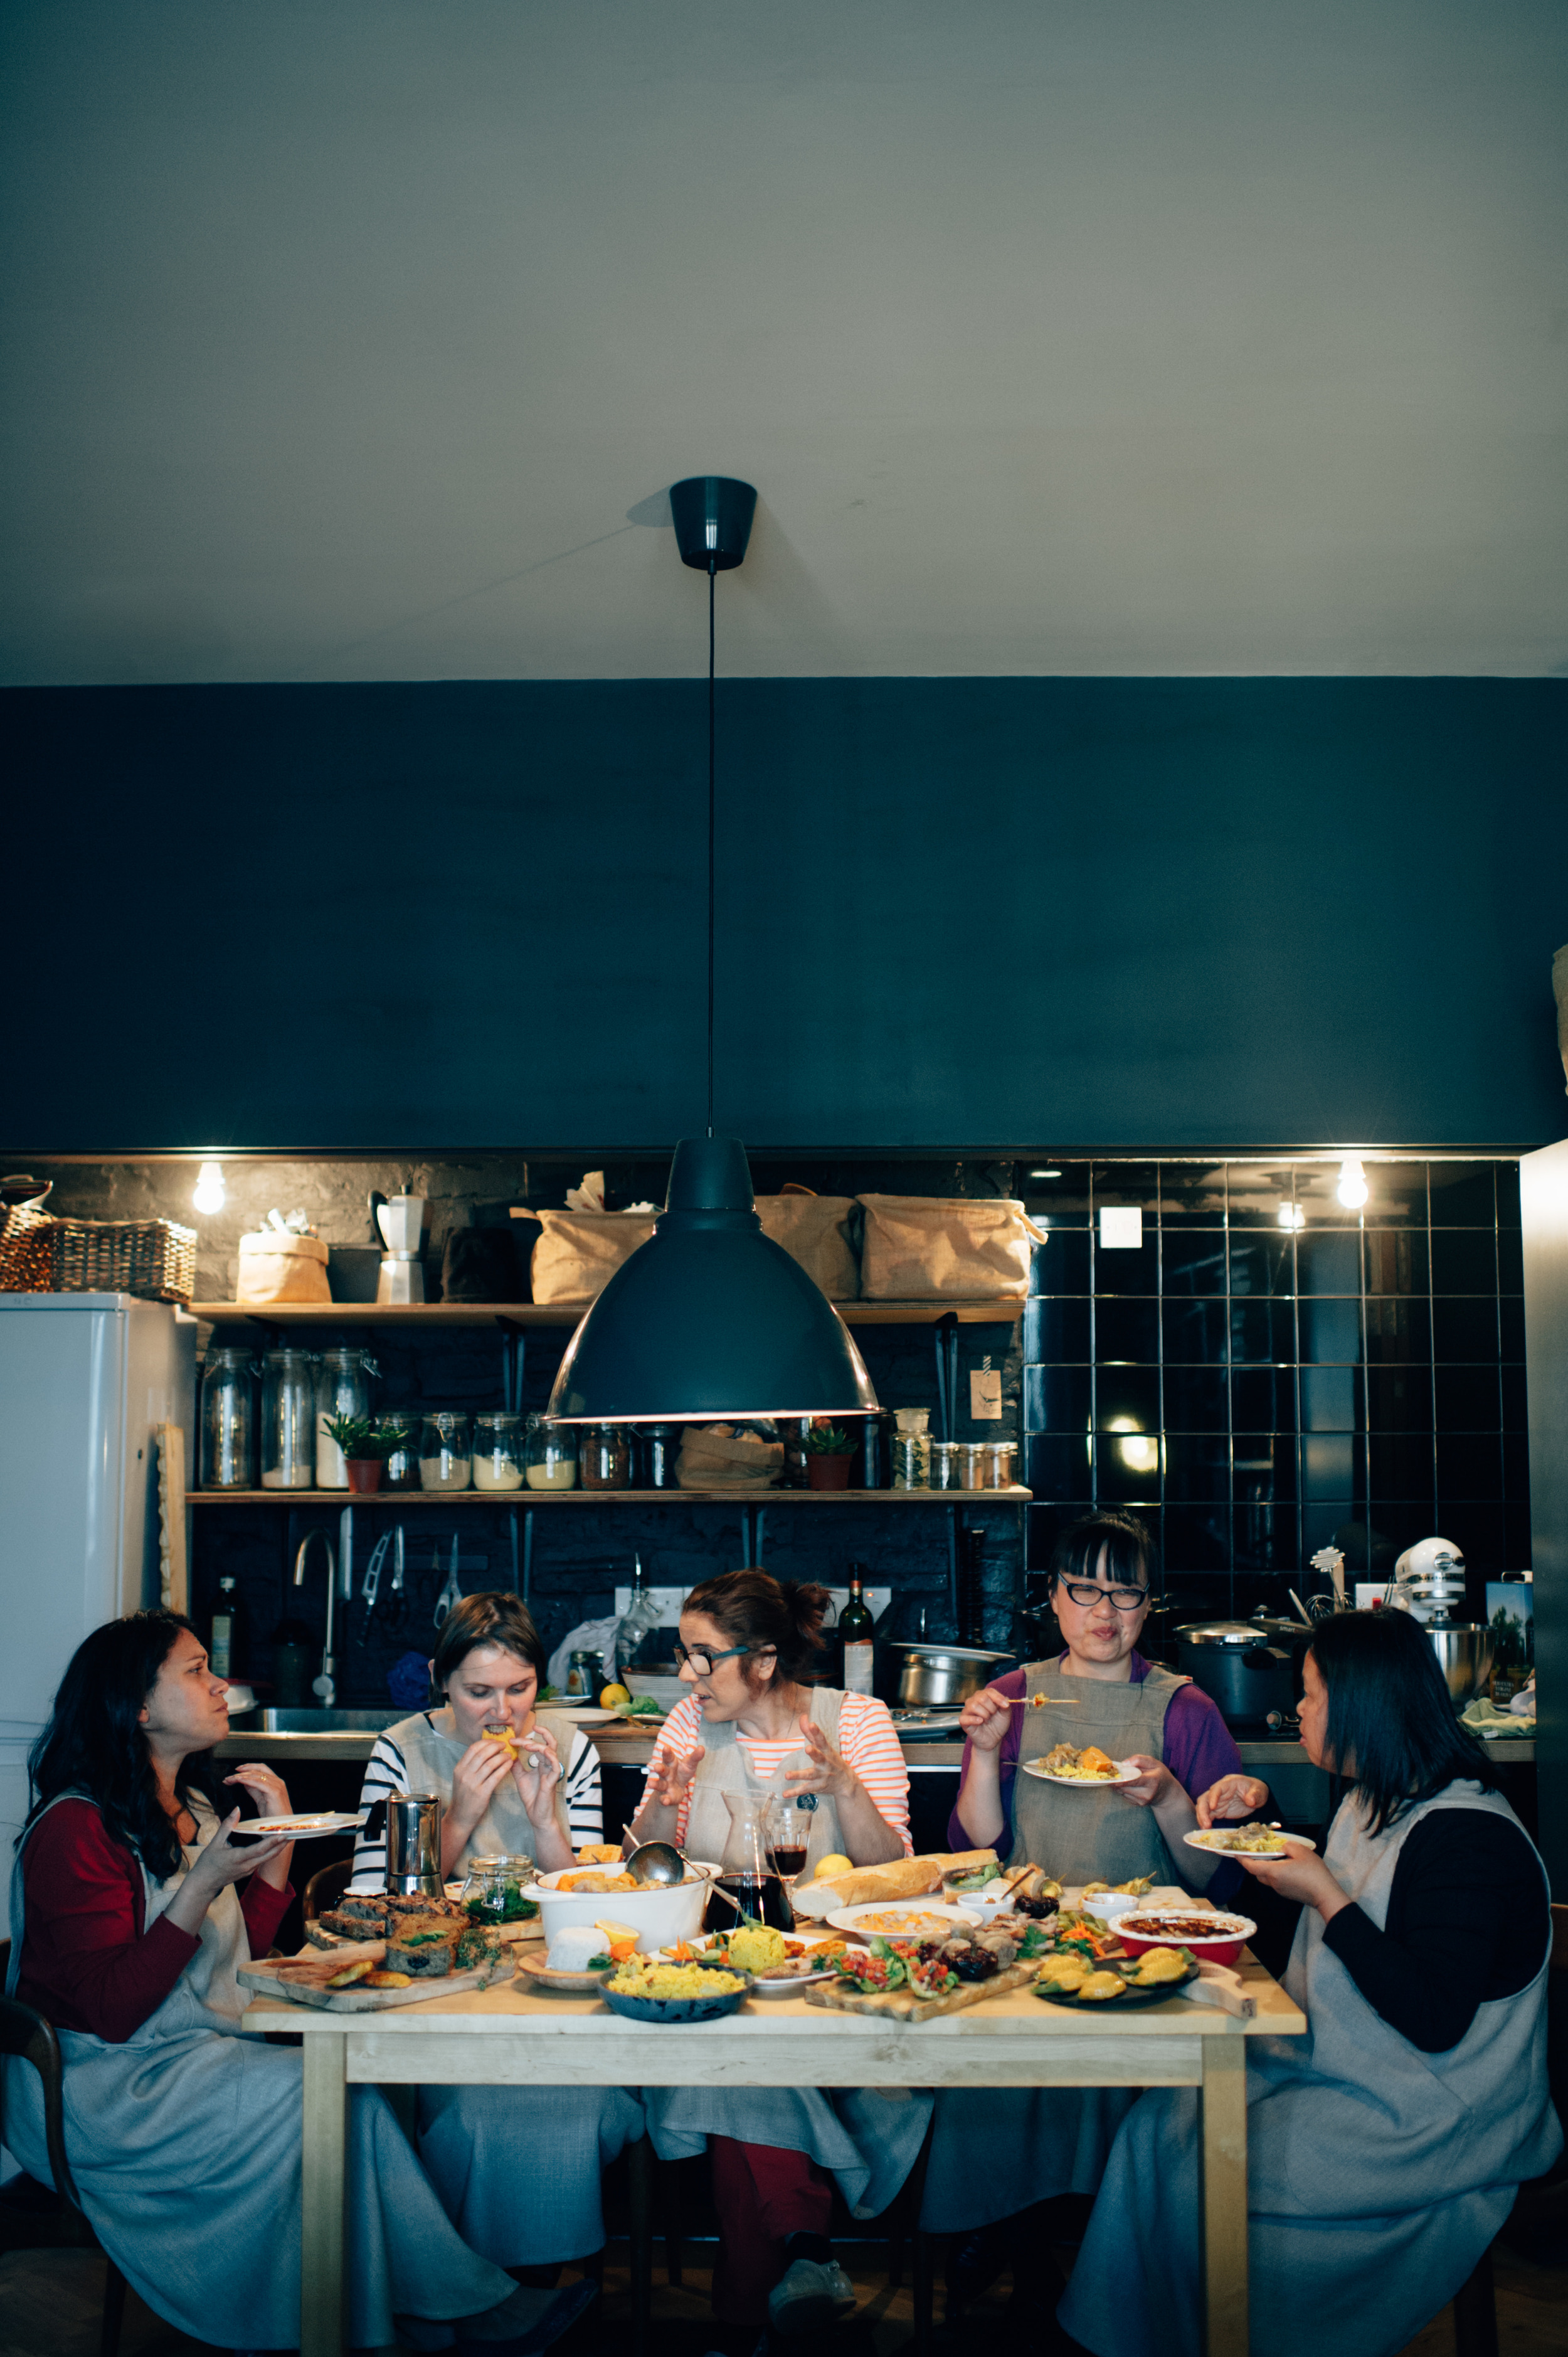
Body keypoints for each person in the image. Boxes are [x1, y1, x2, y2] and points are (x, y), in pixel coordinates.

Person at [4, 1610, 595, 2354]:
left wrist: (274, 1845)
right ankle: (443, 2313)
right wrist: (208, 1878)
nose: (221, 1682)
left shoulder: (186, 1806)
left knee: (346, 2090)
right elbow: (111, 2009)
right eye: (195, 1671)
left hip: (188, 2051)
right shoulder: (76, 1829)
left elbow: (232, 1955)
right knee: (327, 2094)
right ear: (139, 1705)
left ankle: (404, 2316)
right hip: (106, 2088)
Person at [1059, 1607, 1562, 2357]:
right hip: (1349, 2071)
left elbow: (1432, 2015)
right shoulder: (1376, 1795)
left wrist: (1325, 1891)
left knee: (1205, 2167)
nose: (1296, 1708)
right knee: (1156, 2128)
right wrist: (1258, 1825)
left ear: (1362, 1705)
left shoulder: (1467, 1836)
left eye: (1311, 1692)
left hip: (1433, 2115)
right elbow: (1319, 1912)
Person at [921, 1510, 1259, 2289]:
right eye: (1085, 1590)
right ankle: (1000, 2230)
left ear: (1151, 1605)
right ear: (1054, 1596)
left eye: (1126, 1594)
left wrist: (1172, 1795)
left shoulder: (1186, 1709)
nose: (1104, 1613)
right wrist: (978, 1750)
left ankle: (1106, 2247)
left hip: (1144, 1946)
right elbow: (977, 1849)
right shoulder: (1014, 1696)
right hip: (1026, 1941)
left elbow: (1214, 1879)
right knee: (1003, 2072)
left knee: (1116, 2086)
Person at [632, 1568, 930, 2352]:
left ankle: (744, 2317)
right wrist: (663, 1801)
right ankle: (803, 2253)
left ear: (761, 1659)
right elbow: (641, 1872)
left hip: (836, 1994)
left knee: (747, 2062)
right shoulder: (686, 1727)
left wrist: (845, 1788)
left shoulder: (855, 1721)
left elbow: (892, 1869)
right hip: (707, 1985)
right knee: (740, 2048)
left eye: (703, 1657)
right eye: (684, 1654)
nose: (688, 1674)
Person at [349, 1592, 643, 2273]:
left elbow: (594, 1908)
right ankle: (467, 2280)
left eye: (520, 1689)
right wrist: (460, 1814)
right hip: (441, 1994)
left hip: (555, 1987)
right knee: (482, 2109)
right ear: (440, 1680)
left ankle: (538, 2284)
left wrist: (547, 1822)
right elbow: (375, 1908)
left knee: (566, 2101)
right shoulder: (400, 1750)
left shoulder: (567, 1749)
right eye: (479, 1691)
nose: (503, 1713)